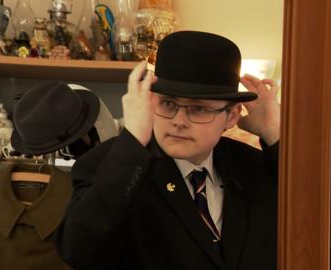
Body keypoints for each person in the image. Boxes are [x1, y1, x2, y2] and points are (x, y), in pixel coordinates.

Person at [56, 31, 280, 270]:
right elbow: (76, 250)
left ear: (232, 116)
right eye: (168, 104)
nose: (179, 120)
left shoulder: (255, 167)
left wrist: (274, 133)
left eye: (198, 109)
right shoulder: (111, 165)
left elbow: (313, 227)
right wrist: (132, 142)